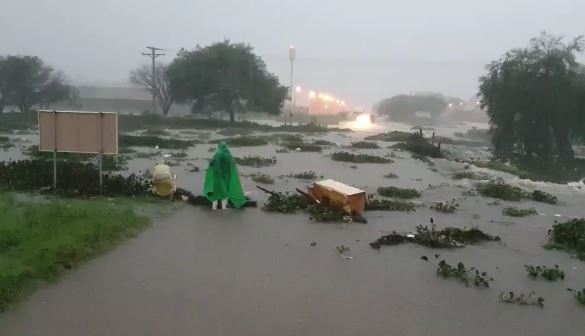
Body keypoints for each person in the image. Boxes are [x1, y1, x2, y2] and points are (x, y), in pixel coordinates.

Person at [203, 142, 246, 209]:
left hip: (216, 178)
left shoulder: (217, 155)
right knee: (224, 194)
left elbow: (211, 164)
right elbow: (232, 168)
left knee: (215, 195)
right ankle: (224, 209)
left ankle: (214, 209)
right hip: (226, 178)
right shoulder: (229, 156)